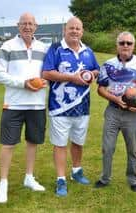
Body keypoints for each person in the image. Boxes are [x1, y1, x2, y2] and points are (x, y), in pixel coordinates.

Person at [0, 13, 48, 203]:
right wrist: (23, 83)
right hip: (13, 104)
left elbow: (48, 72)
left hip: (37, 104)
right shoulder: (7, 46)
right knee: (8, 144)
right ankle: (3, 182)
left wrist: (44, 80)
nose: (27, 27)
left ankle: (29, 177)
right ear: (18, 26)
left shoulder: (43, 47)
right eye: (24, 23)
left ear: (36, 26)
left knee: (33, 142)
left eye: (30, 24)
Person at [42, 17, 99, 197]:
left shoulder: (88, 51)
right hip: (59, 107)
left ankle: (76, 171)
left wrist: (91, 74)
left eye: (78, 28)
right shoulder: (55, 49)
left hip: (83, 106)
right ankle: (61, 179)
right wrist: (71, 78)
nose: (74, 31)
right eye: (71, 28)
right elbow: (46, 73)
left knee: (78, 141)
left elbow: (96, 69)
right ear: (64, 30)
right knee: (60, 144)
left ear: (82, 31)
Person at [94, 31, 136, 192]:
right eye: (122, 43)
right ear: (117, 45)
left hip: (133, 114)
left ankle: (133, 180)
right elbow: (100, 89)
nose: (125, 46)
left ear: (134, 45)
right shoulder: (108, 64)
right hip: (113, 111)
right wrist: (116, 99)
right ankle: (105, 178)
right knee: (107, 147)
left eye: (129, 43)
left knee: (132, 149)